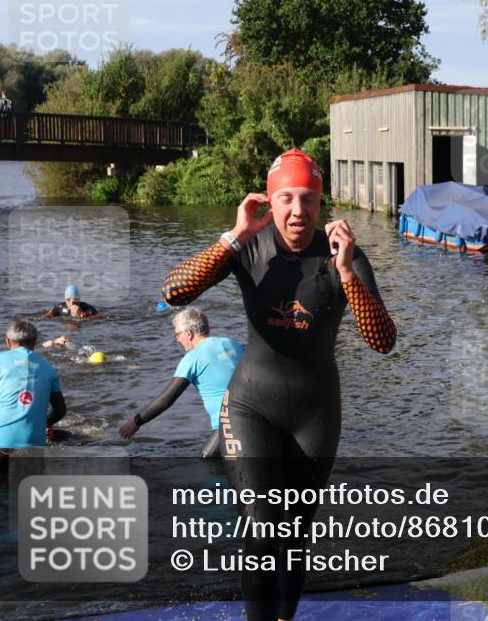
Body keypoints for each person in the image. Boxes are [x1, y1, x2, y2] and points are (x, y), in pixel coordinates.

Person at [162, 148, 396, 621]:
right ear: (269, 201)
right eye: (285, 198)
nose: (297, 210)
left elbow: (382, 341)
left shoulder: (341, 255)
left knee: (294, 533)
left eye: (308, 198)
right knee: (261, 528)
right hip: (251, 405)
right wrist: (233, 236)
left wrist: (347, 272)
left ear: (320, 202)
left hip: (316, 413)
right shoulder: (249, 246)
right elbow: (173, 292)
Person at [118, 307, 244, 458]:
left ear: (189, 333)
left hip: (231, 421)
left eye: (177, 334)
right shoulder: (233, 343)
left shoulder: (193, 357)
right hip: (258, 411)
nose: (176, 339)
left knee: (207, 461)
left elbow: (167, 399)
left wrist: (136, 422)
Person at [0, 320, 67, 475]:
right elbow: (60, 410)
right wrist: (46, 423)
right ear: (35, 342)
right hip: (32, 446)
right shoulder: (48, 368)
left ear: (7, 341)